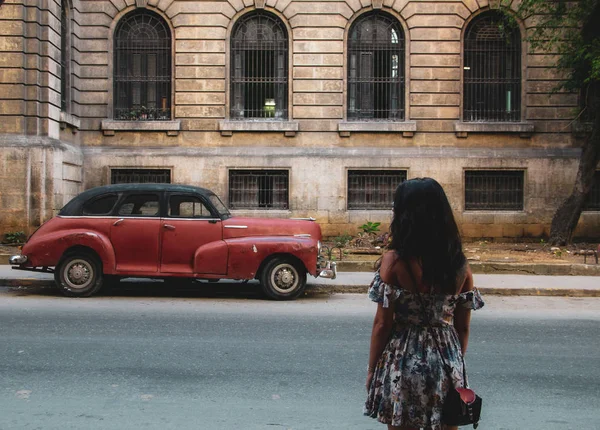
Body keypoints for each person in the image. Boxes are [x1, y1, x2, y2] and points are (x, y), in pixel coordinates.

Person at [364, 177, 484, 430]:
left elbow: (382, 324)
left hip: (403, 358)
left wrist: (372, 369)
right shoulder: (460, 265)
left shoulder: (394, 262)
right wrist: (454, 363)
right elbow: (463, 328)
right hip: (446, 359)